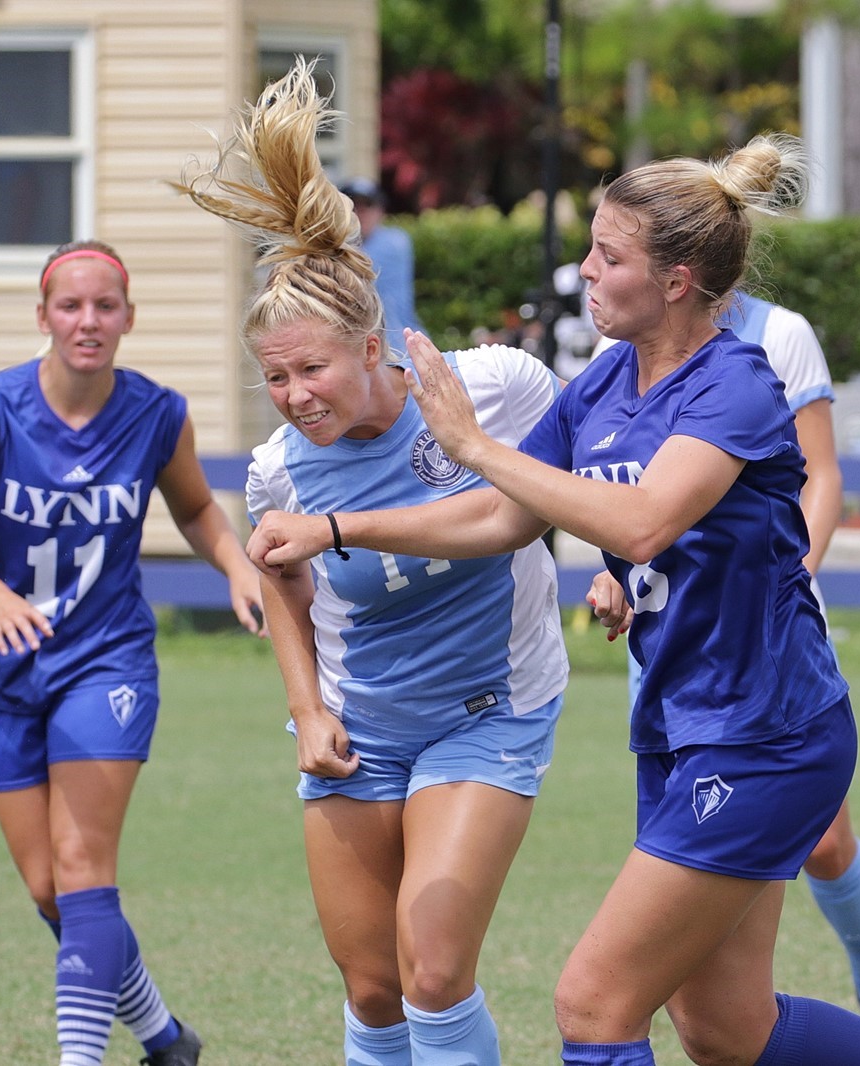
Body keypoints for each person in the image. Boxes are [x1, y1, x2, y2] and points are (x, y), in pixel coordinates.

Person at [249, 134, 860, 1066]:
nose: (584, 270)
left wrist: (474, 447)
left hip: (766, 731)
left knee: (592, 1006)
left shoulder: (735, 382)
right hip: (679, 725)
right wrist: (339, 528)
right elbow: (504, 518)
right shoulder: (607, 383)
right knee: (725, 1028)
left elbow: (647, 519)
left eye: (608, 255)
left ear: (676, 281)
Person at [174, 59, 569, 1066]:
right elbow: (282, 578)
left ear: (370, 346)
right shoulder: (278, 470)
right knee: (372, 987)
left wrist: (343, 530)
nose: (296, 395)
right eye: (274, 378)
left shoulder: (493, 388)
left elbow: (520, 512)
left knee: (432, 970)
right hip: (364, 725)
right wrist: (306, 711)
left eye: (312, 368)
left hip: (491, 710)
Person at [0, 238, 263, 1066]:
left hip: (106, 661)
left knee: (82, 864)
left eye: (105, 306)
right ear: (42, 316)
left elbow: (195, 508)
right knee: (52, 889)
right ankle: (166, 1039)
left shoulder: (158, 413)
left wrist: (237, 563)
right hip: (3, 668)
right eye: (70, 306)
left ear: (128, 318)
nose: (88, 320)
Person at [599, 291, 860, 1043]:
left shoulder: (780, 333)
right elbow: (629, 491)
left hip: (770, 639)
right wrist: (620, 572)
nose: (593, 270)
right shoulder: (626, 344)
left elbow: (822, 477)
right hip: (674, 645)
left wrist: (784, 579)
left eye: (612, 252)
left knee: (827, 844)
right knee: (705, 1009)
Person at [339, 177, 426, 354]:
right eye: (352, 206)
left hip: (400, 345)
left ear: (380, 211)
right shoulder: (340, 247)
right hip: (363, 347)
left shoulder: (394, 243)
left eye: (367, 205)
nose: (359, 213)